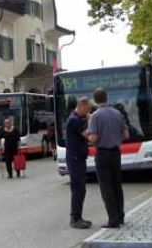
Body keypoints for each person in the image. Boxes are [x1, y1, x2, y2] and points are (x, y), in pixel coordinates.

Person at [87, 88, 129, 229]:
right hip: (116, 152)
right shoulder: (118, 113)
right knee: (117, 184)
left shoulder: (95, 116)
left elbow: (94, 138)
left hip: (103, 154)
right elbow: (126, 135)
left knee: (106, 187)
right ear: (106, 98)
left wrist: (88, 136)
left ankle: (113, 220)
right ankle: (121, 215)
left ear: (95, 100)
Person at [65, 97, 92, 229]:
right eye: (87, 109)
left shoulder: (77, 118)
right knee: (78, 189)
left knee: (81, 189)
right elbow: (88, 135)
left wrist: (87, 118)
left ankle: (78, 216)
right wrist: (91, 120)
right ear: (81, 105)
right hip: (75, 159)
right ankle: (75, 218)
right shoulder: (74, 120)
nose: (88, 112)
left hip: (78, 158)